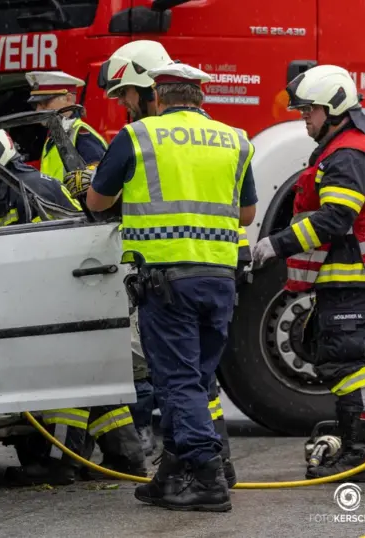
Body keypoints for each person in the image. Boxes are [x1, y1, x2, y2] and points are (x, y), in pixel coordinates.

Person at [86, 62, 258, 512]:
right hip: (220, 278)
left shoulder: (139, 135)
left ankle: (207, 477)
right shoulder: (236, 139)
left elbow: (97, 201)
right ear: (201, 96)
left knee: (178, 381)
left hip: (166, 280)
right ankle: (171, 476)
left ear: (157, 97)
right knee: (195, 378)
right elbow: (246, 214)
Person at [0, 129, 147, 484]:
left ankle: (60, 463)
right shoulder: (13, 189)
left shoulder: (28, 191)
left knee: (65, 378)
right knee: (92, 376)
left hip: (66, 295)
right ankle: (126, 458)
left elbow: (49, 250)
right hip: (73, 292)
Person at [250, 64, 365, 481]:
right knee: (336, 354)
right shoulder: (343, 147)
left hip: (358, 274)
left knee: (342, 362)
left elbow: (336, 218)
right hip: (353, 275)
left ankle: (357, 455)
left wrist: (275, 244)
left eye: (310, 110)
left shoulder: (348, 154)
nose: (304, 117)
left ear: (334, 110)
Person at [25, 71, 108, 196]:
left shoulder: (81, 133)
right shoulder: (55, 135)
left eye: (44, 103)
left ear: (68, 99)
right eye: (36, 105)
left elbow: (101, 177)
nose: (38, 110)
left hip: (74, 208)